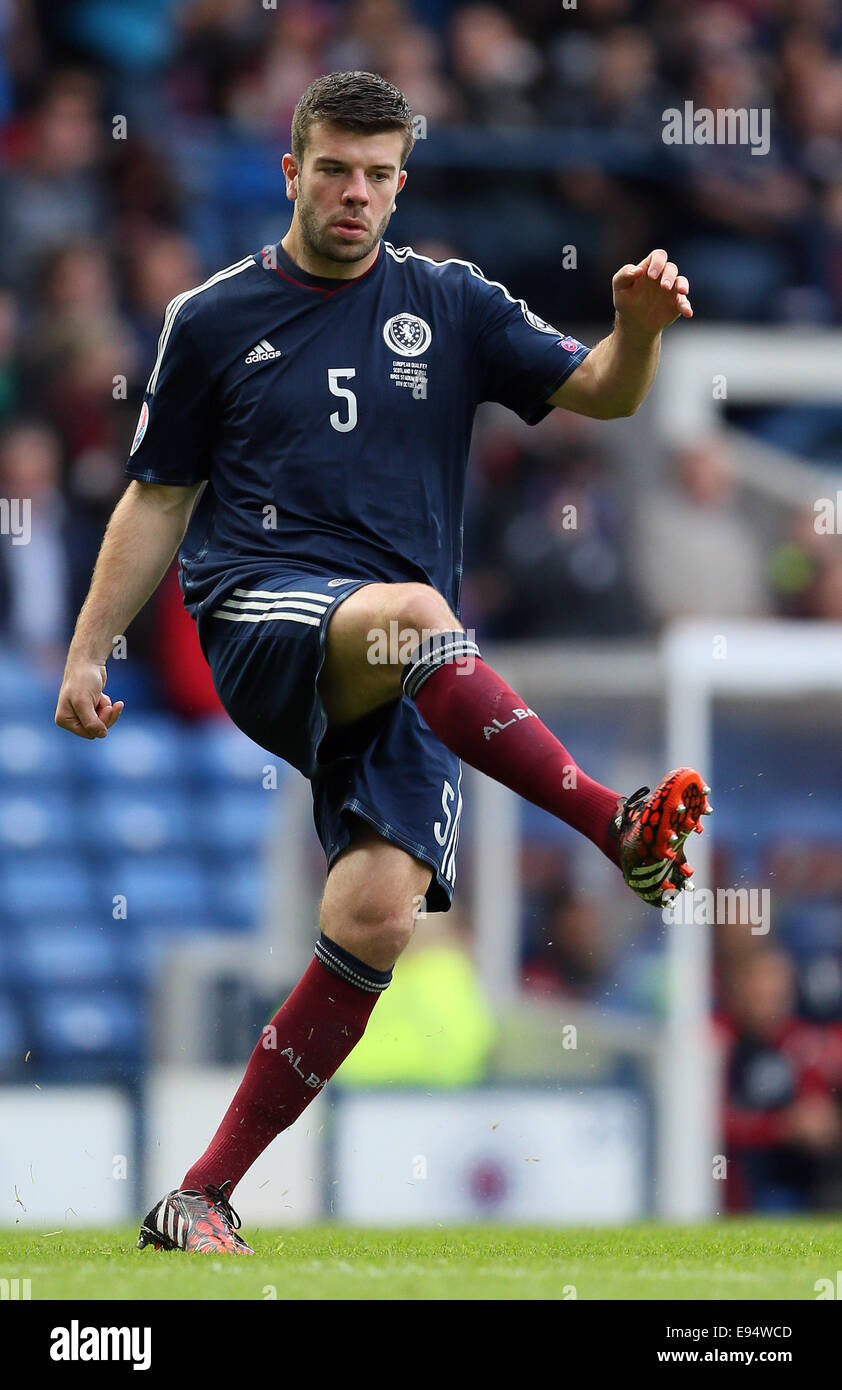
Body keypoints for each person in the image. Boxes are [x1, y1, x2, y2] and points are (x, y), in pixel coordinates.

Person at [55, 70, 711, 1254]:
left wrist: (642, 332)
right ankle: (612, 823)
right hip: (260, 613)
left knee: (373, 918)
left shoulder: (449, 300)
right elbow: (157, 498)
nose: (354, 194)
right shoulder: (210, 317)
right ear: (294, 167)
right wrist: (89, 649)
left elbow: (603, 396)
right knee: (412, 609)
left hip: (412, 660)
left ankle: (197, 1196)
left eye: (376, 176)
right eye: (333, 170)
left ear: (399, 183)